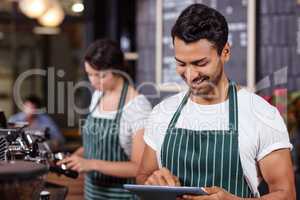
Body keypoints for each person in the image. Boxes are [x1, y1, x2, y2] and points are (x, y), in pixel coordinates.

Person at [136, 3, 296, 199]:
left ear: (225, 52)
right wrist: (154, 182)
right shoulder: (162, 112)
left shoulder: (262, 114)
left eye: (200, 63)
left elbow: (286, 194)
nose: (190, 74)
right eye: (180, 63)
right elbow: (143, 176)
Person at [58, 39, 152, 200]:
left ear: (118, 70)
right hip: (92, 193)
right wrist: (76, 157)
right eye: (89, 74)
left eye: (100, 75)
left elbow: (140, 168)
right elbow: (95, 145)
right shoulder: (98, 95)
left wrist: (92, 164)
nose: (93, 81)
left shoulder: (137, 107)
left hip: (122, 196)